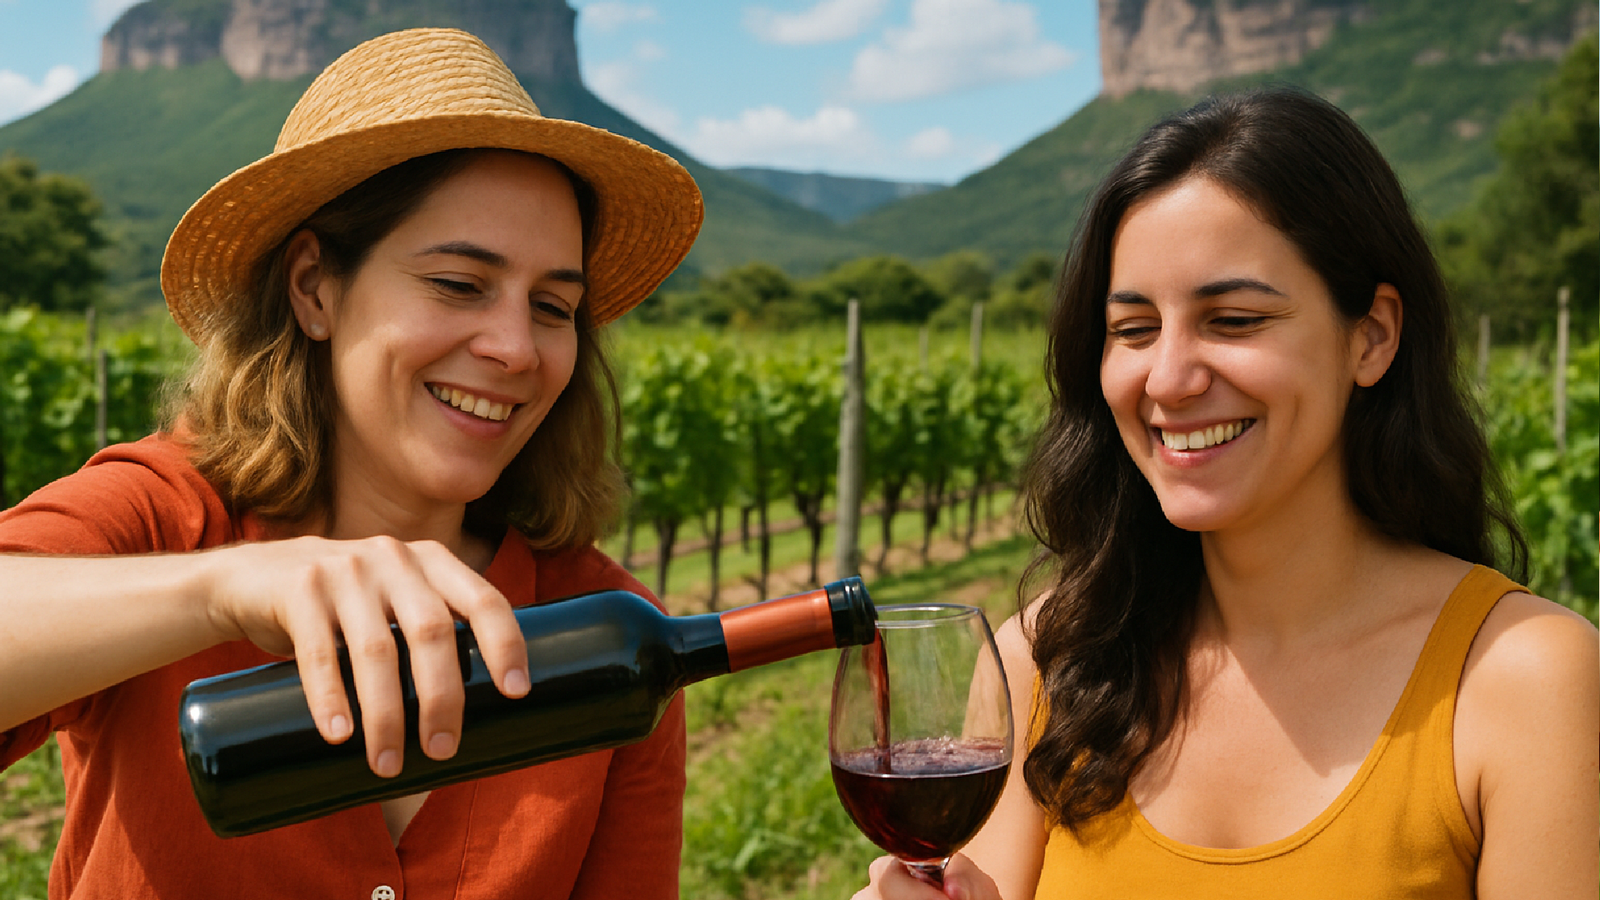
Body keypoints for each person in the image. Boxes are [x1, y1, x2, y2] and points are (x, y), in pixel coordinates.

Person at [0, 27, 702, 899]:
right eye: (457, 283)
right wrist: (220, 589)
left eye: (554, 306)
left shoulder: (608, 626)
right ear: (314, 287)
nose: (518, 348)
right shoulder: (163, 517)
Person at [854, 86, 1598, 900]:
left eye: (1234, 320)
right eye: (1133, 330)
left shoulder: (1526, 679)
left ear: (1372, 336)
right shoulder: (1047, 661)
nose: (1169, 379)